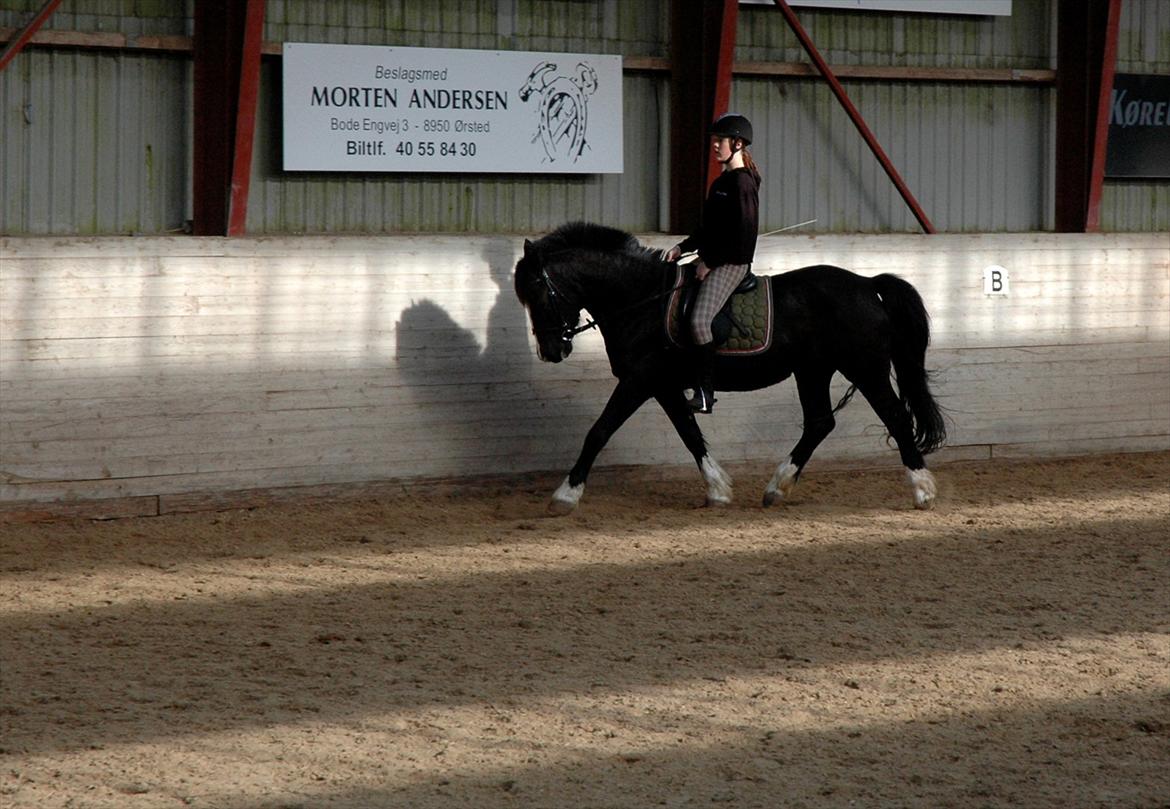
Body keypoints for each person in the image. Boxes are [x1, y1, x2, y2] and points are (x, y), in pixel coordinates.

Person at [664, 113, 761, 414]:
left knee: (698, 320)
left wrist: (710, 262)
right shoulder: (721, 183)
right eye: (715, 140)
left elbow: (744, 236)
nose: (715, 145)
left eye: (720, 140)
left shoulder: (743, 183)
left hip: (732, 263)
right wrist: (683, 247)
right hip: (714, 258)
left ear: (738, 143)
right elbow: (709, 229)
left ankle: (705, 393)